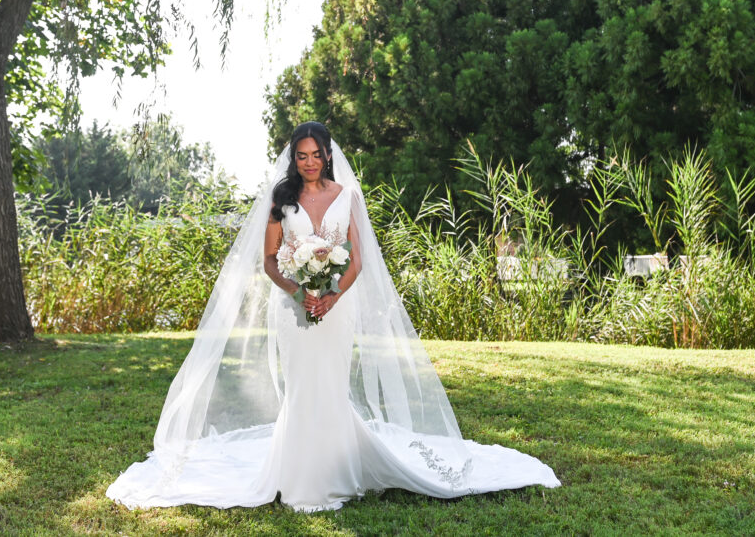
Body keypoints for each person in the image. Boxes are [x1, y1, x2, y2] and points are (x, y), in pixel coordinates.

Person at [106, 122, 559, 511]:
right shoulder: (280, 200)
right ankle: (303, 480)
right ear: (293, 159)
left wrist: (331, 297)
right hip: (294, 309)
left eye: (315, 155)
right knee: (303, 388)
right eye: (301, 156)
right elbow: (269, 260)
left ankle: (339, 469)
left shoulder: (348, 196)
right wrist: (299, 289)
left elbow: (357, 259)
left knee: (331, 386)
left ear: (327, 156)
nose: (309, 162)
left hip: (336, 311)